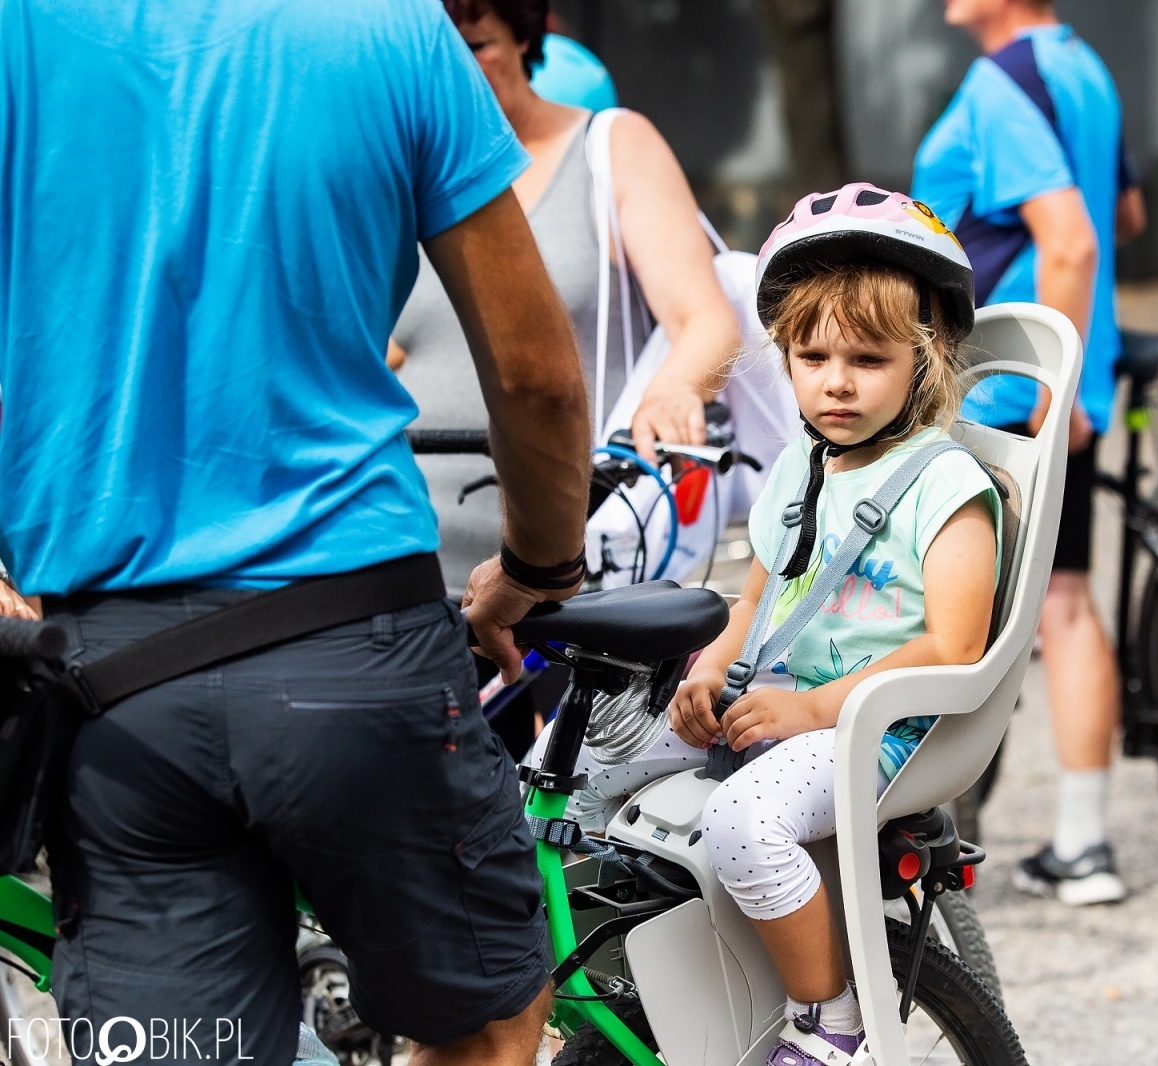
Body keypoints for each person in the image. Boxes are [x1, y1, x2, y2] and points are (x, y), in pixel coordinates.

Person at [0, 1, 593, 1063]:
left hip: (117, 684)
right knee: (487, 1023)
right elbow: (538, 377)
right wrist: (538, 565)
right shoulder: (392, 29)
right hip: (355, 642)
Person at [530, 184, 1001, 1065]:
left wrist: (811, 710)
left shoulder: (946, 485)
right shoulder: (799, 465)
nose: (835, 382)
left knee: (743, 820)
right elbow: (756, 603)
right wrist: (710, 672)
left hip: (880, 729)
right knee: (578, 755)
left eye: (868, 359)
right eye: (812, 356)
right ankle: (616, 968)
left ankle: (830, 1020)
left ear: (924, 360)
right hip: (781, 700)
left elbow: (952, 648)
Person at [912, 0, 1144, 906]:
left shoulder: (1004, 79)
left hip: (1005, 387)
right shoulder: (1082, 65)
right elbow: (1125, 212)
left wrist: (1052, 386)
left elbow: (1075, 238)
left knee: (962, 615)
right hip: (1073, 382)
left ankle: (933, 847)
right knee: (1069, 603)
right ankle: (1082, 844)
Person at [391, 0, 740, 596]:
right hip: (406, 551)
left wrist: (674, 391)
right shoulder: (399, 170)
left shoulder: (609, 146)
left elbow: (705, 319)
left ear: (524, 38)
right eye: (438, 55)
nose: (459, 73)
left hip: (573, 563)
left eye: (477, 46)